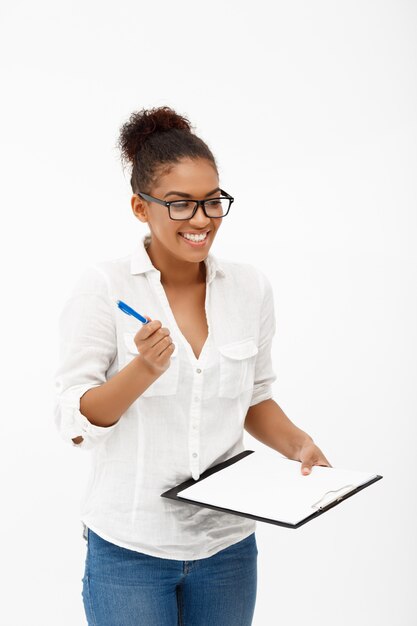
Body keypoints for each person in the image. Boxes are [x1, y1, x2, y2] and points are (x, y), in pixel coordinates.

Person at [53, 105, 332, 626]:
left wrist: (297, 443)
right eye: (179, 205)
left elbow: (254, 395)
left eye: (211, 203)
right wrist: (140, 371)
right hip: (130, 547)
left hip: (227, 547)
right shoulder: (105, 287)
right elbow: (75, 421)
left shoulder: (250, 287)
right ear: (141, 207)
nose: (201, 220)